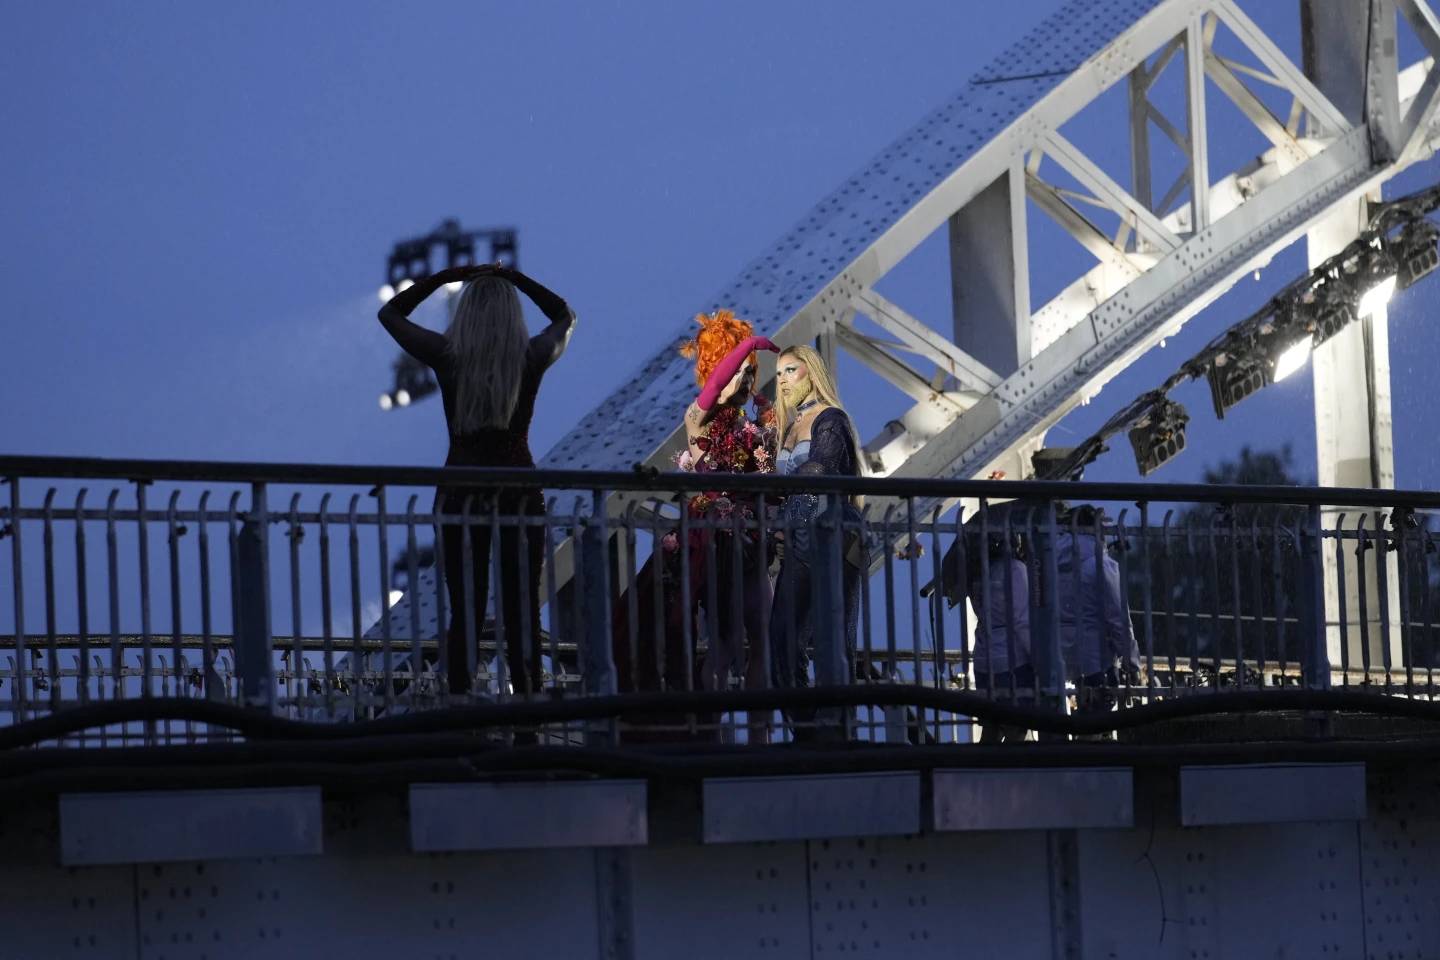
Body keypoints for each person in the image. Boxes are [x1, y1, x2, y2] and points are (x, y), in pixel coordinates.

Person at [378, 264, 575, 697]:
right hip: (519, 493)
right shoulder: (532, 356)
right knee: (522, 612)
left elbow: (390, 315)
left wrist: (445, 276)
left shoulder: (448, 356)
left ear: (465, 313)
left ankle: (463, 711)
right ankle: (528, 720)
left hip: (460, 492)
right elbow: (565, 316)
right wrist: (519, 278)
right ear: (512, 314)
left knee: (464, 611)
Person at [613, 311, 777, 732]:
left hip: (752, 537)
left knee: (763, 638)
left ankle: (760, 741)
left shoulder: (753, 425)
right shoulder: (697, 418)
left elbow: (768, 477)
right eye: (736, 370)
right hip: (717, 540)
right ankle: (709, 732)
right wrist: (747, 346)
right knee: (722, 646)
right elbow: (717, 386)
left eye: (749, 373)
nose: (742, 379)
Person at [768, 344, 867, 741]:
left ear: (811, 371)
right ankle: (809, 732)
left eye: (791, 370)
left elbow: (823, 466)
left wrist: (778, 483)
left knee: (831, 641)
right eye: (778, 373)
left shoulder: (832, 419)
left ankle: (835, 733)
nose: (783, 379)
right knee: (781, 641)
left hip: (830, 536)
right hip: (797, 541)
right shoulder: (788, 426)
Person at [1054, 506, 1141, 726]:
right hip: (1095, 658)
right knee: (1100, 713)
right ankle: (1091, 753)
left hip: (1062, 657)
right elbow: (1118, 619)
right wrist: (1132, 663)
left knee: (1073, 714)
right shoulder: (1100, 565)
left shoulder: (1053, 562)